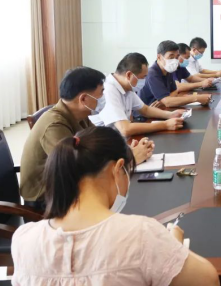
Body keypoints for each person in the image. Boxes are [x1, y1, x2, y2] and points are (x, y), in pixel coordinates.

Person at [12, 127, 221, 286]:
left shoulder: (24, 239)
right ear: (117, 169)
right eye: (128, 172)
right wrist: (174, 247)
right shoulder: (139, 234)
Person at [20, 67, 154, 211]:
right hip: (48, 198)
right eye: (101, 93)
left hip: (69, 183)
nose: (104, 97)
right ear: (83, 99)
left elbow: (100, 143)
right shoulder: (54, 125)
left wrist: (127, 151)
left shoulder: (79, 114)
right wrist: (129, 160)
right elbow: (76, 170)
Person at [97, 53, 186, 138]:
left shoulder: (127, 87)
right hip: (106, 142)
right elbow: (125, 129)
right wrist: (165, 125)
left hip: (120, 138)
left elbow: (145, 110)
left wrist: (170, 115)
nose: (144, 81)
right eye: (143, 77)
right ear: (129, 75)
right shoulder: (108, 90)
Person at [139, 40, 213, 108]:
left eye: (177, 57)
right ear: (159, 57)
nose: (174, 60)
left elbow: (175, 92)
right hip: (147, 114)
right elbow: (168, 102)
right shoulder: (153, 73)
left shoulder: (168, 70)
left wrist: (164, 100)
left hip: (162, 108)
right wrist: (196, 98)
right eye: (171, 57)